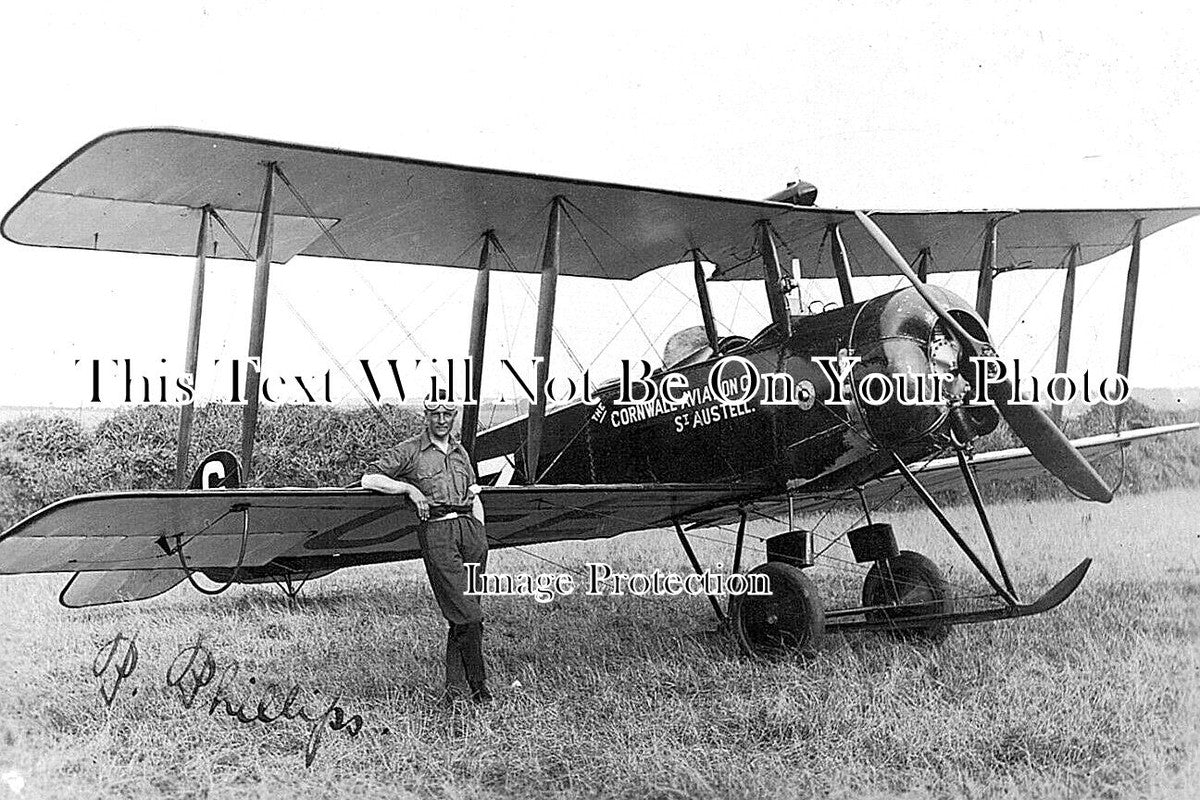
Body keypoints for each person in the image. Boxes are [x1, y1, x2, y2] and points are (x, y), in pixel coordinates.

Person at [361, 394, 491, 704]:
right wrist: (408, 488)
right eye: (436, 413)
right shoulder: (411, 450)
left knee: (463, 612)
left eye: (448, 413)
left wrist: (480, 532)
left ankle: (455, 692)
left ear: (455, 415)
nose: (442, 420)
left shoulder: (460, 453)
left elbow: (475, 494)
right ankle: (479, 688)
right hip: (438, 532)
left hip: (470, 532)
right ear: (426, 416)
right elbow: (370, 478)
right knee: (468, 614)